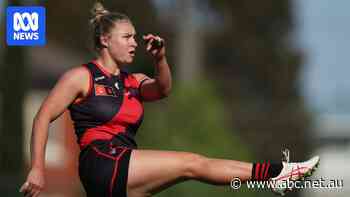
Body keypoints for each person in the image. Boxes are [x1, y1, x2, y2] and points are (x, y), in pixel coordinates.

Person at [20, 2, 320, 197]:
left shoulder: (134, 81)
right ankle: (276, 174)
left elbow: (162, 89)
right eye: (127, 37)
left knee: (194, 166)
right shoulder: (80, 76)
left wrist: (161, 58)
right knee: (192, 163)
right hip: (102, 163)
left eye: (135, 37)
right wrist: (37, 168)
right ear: (104, 40)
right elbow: (42, 116)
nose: (134, 43)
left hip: (122, 166)